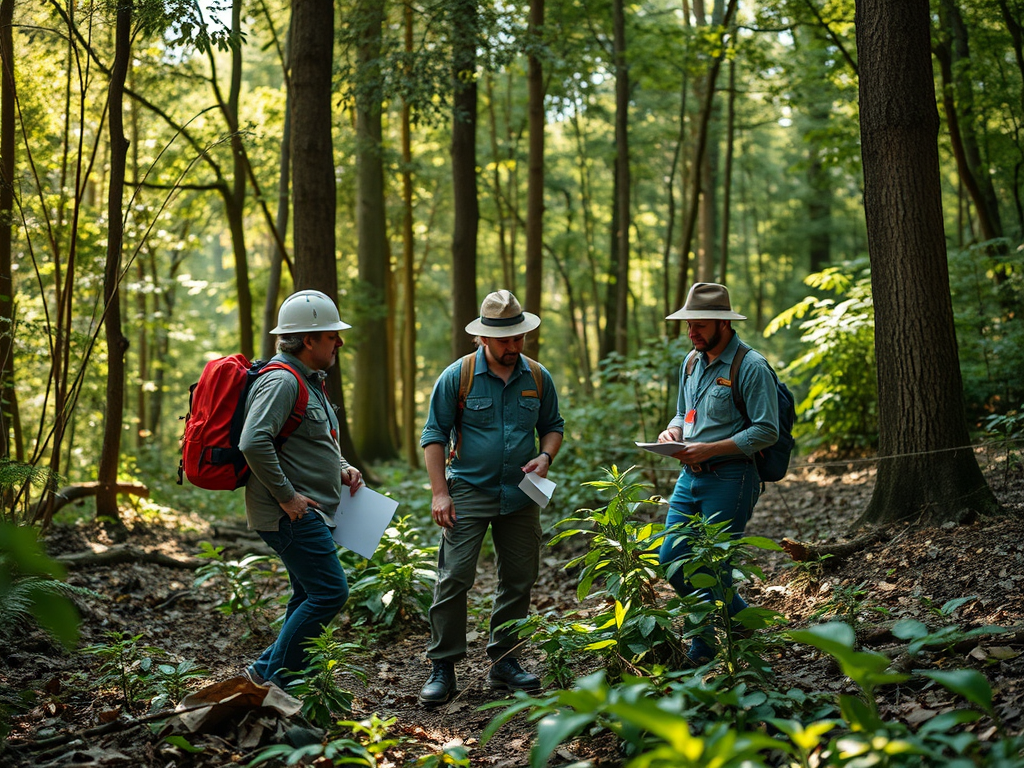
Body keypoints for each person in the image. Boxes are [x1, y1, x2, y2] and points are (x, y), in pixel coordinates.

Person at [417, 290, 565, 705]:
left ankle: (506, 661)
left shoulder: (537, 376)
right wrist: (440, 494)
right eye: (505, 340)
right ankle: (443, 667)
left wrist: (545, 455)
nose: (514, 347)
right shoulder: (457, 377)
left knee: (519, 577)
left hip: (520, 495)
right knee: (454, 577)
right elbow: (433, 435)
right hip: (467, 491)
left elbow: (553, 425)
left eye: (519, 338)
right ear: (484, 338)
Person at [238, 289, 363, 688]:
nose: (339, 342)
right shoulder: (281, 381)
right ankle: (279, 683)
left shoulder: (310, 380)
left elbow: (315, 439)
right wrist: (287, 497)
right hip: (289, 512)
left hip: (311, 509)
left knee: (305, 594)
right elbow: (253, 441)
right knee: (329, 591)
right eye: (331, 335)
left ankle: (262, 673)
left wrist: (342, 467)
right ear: (308, 340)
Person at [656, 282, 779, 664]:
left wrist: (710, 448)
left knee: (712, 564)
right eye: (688, 325)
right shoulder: (691, 362)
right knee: (671, 558)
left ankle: (703, 649)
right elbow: (683, 411)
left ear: (723, 324)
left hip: (732, 478)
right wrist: (673, 431)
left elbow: (766, 430)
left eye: (699, 325)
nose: (691, 333)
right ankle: (741, 619)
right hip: (688, 476)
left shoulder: (752, 366)